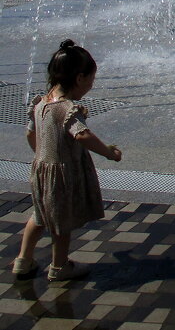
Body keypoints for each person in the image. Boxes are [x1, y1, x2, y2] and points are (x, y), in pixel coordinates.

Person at [12, 40, 122, 282]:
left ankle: (23, 260)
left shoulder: (40, 102)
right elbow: (82, 135)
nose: (91, 86)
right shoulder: (66, 109)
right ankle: (59, 266)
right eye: (91, 81)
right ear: (80, 78)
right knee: (62, 223)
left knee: (39, 216)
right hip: (61, 176)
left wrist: (41, 155)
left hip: (41, 170)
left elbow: (30, 133)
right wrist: (107, 152)